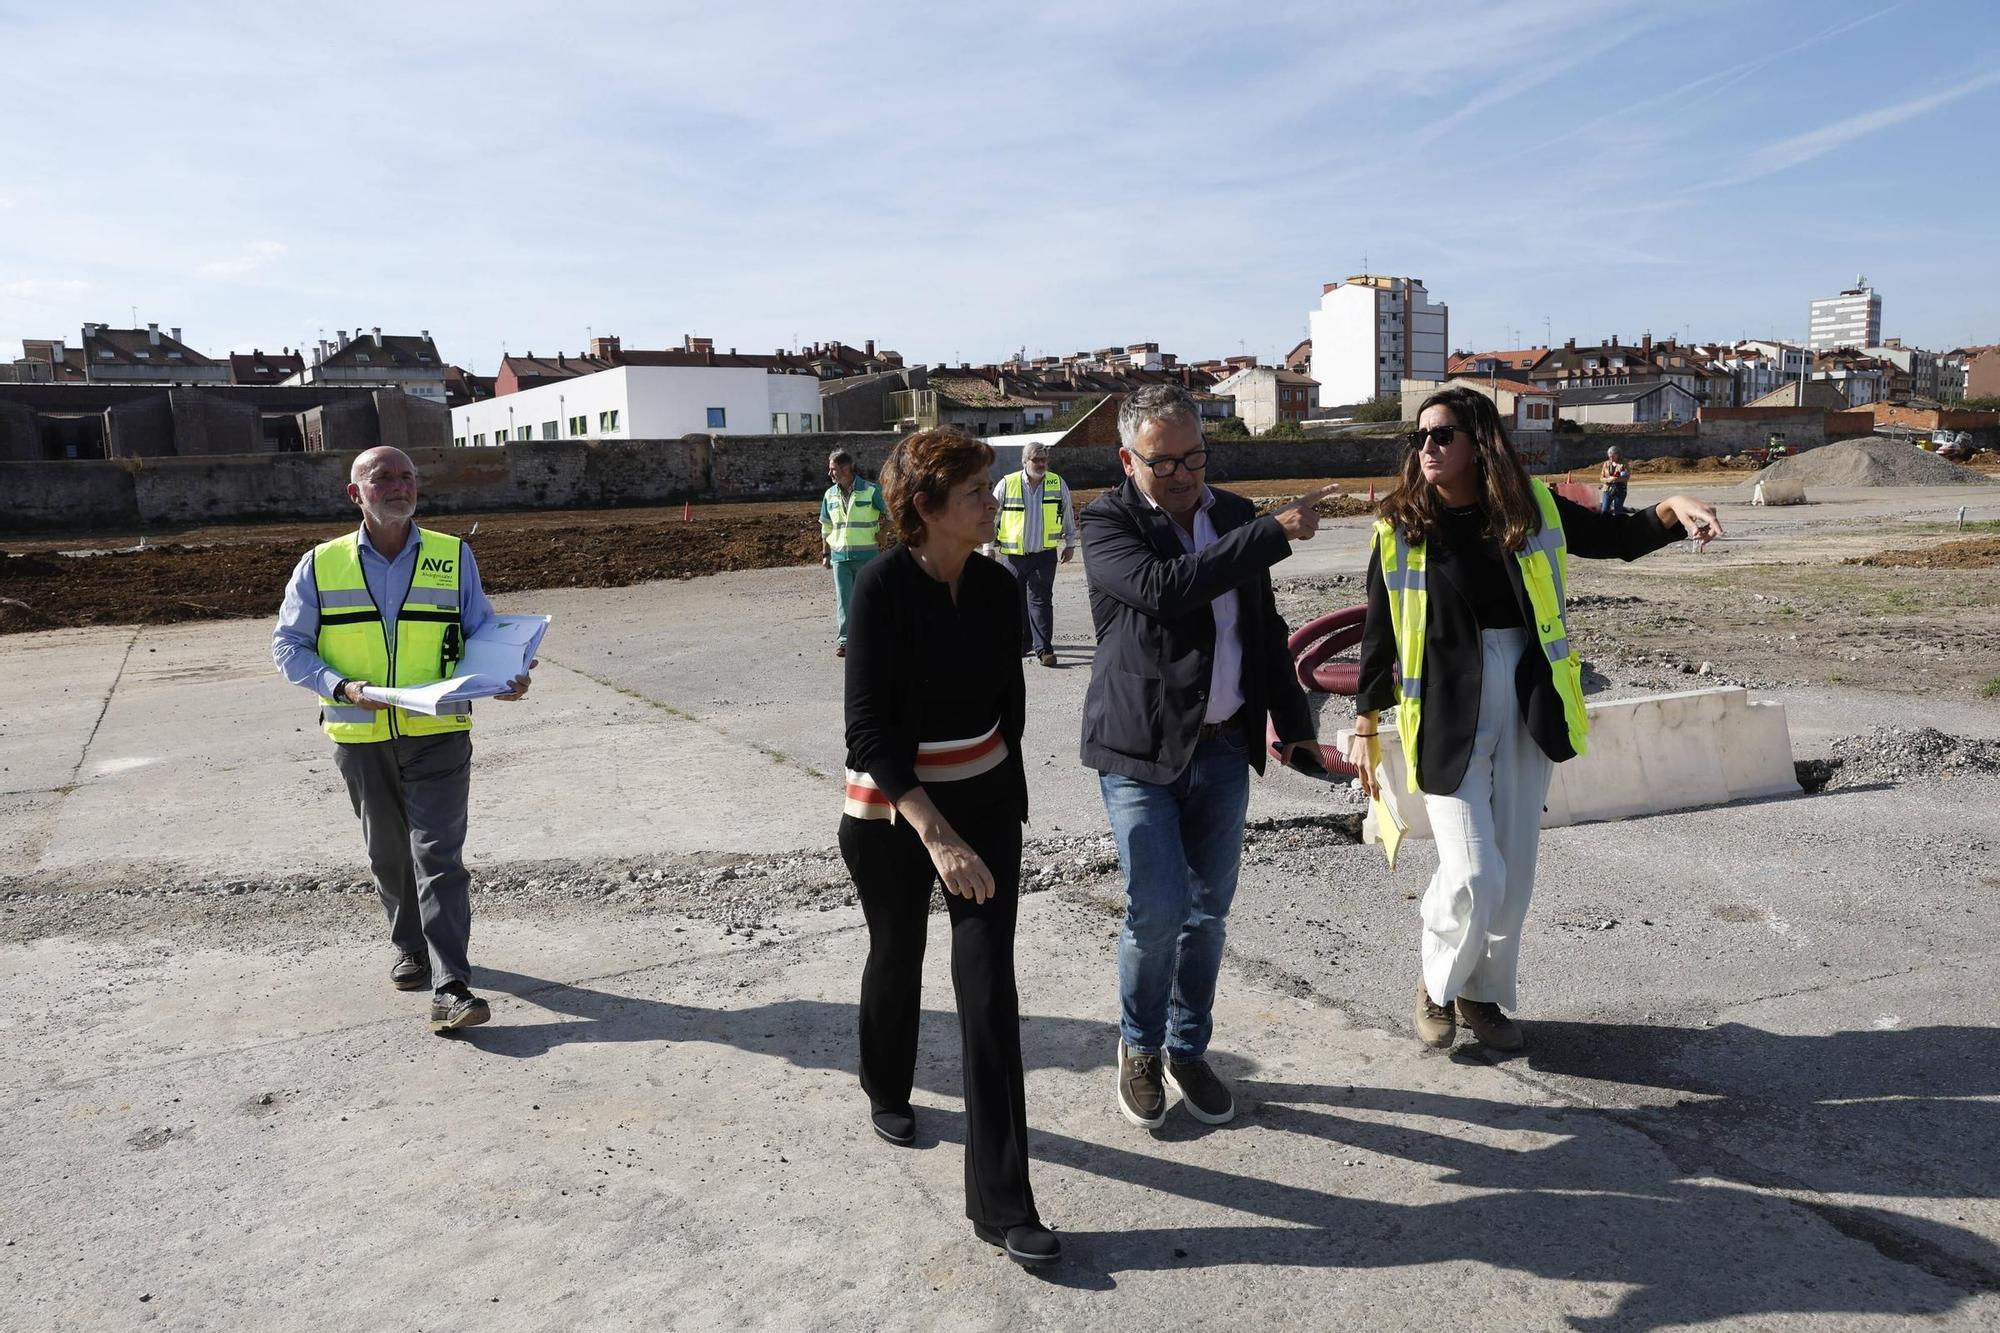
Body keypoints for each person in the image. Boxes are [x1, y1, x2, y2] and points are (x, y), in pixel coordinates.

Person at [1345, 387, 1723, 1053]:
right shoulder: (1398, 526)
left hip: (1524, 702)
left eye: (1441, 435)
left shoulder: (1532, 508)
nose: (1426, 447)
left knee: (1513, 873)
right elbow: (1380, 634)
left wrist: (1672, 510)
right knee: (1473, 871)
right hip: (1443, 714)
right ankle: (1436, 986)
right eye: (1419, 438)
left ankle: (1481, 994)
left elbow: (1616, 537)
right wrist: (1363, 722)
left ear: (1478, 442)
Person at [1080, 383, 1335, 1130]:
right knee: (1157, 908)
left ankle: (1189, 1049)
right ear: (1129, 459)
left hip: (1223, 748)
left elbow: (1262, 623)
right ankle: (1139, 1046)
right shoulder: (1106, 520)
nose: (1188, 475)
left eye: (1197, 456)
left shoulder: (1229, 513)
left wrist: (1293, 724)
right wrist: (1269, 533)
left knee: (1207, 916)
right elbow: (1166, 590)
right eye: (1168, 463)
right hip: (1140, 750)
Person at [837, 428, 1060, 1267]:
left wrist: (995, 807)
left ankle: (1003, 1202)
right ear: (925, 508)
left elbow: (1011, 702)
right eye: (975, 491)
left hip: (985, 804)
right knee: (897, 951)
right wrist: (935, 830)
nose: (993, 499)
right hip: (893, 813)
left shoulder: (1001, 587)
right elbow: (866, 730)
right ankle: (885, 1083)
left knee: (989, 993)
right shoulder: (882, 589)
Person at [271, 446, 534, 1032]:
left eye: (407, 476)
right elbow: (288, 647)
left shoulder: (452, 555)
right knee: (388, 854)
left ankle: (451, 984)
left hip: (438, 731)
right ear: (354, 493)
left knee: (438, 855)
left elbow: (480, 631)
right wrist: (341, 687)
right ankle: (409, 946)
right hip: (360, 733)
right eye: (382, 477)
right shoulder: (320, 564)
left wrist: (505, 675)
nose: (398, 485)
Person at [986, 441, 1079, 667]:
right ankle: (1021, 643)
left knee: (1040, 601)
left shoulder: (1057, 483)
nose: (1040, 464)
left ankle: (1044, 649)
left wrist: (1070, 543)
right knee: (1014, 602)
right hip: (1012, 556)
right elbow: (991, 516)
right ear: (1025, 461)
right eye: (1036, 460)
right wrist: (988, 547)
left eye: (1043, 459)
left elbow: (1067, 513)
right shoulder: (1007, 484)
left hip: (1044, 555)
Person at [819, 449, 883, 658]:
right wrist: (825, 554)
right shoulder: (829, 495)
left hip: (867, 557)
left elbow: (892, 513)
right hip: (840, 558)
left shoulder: (871, 491)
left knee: (869, 599)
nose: (830, 474)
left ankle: (871, 638)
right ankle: (845, 642)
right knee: (844, 600)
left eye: (833, 469)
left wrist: (884, 532)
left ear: (846, 468)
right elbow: (826, 527)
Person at [1598, 446, 1630, 516]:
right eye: (1610, 456)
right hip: (1607, 490)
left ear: (1618, 455)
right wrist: (1608, 480)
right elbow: (1601, 478)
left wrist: (1615, 479)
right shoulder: (1606, 464)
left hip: (1620, 490)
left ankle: (1618, 525)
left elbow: (1626, 477)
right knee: (1605, 510)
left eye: (1613, 456)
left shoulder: (1624, 463)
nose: (1611, 458)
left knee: (1618, 511)